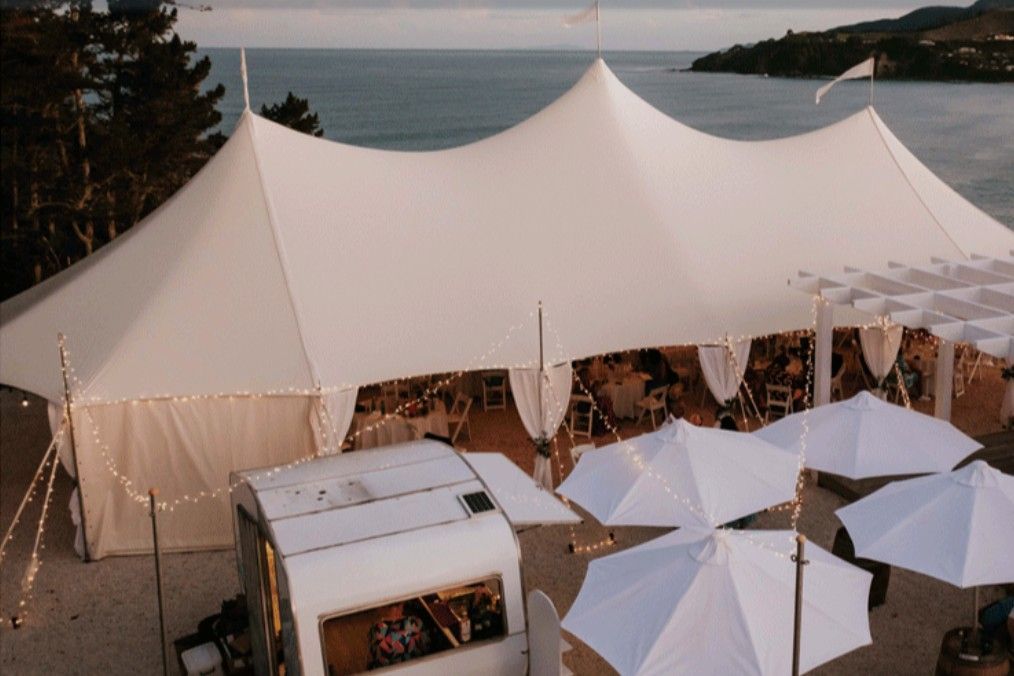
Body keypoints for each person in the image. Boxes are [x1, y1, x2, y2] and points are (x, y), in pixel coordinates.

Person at [368, 602, 431, 669]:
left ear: (380, 607)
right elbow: (427, 648)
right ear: (402, 604)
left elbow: (378, 658)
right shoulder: (416, 622)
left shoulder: (376, 630)